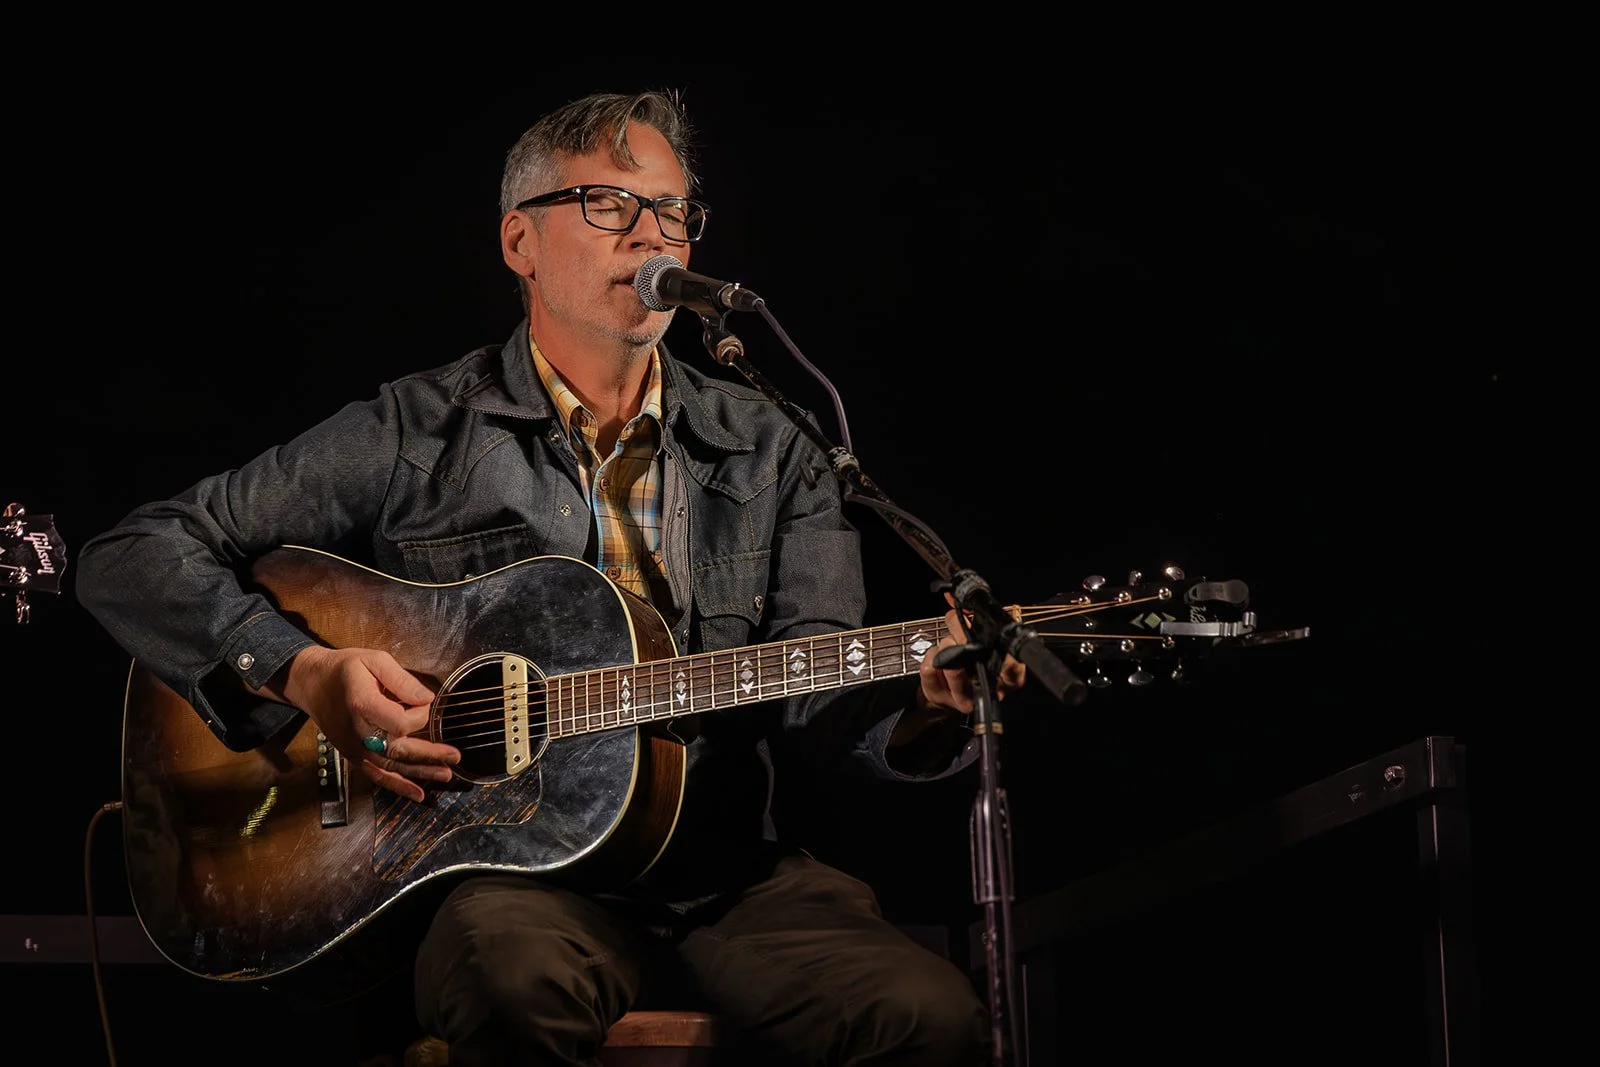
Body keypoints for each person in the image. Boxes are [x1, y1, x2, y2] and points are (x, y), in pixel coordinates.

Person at [76, 88, 1026, 1066]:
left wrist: (926, 705)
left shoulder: (773, 445)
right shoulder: (419, 429)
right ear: (519, 243)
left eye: (669, 210)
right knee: (506, 977)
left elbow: (815, 704)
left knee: (930, 1015)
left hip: (729, 870)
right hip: (514, 881)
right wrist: (305, 673)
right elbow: (130, 556)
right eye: (610, 204)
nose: (649, 234)